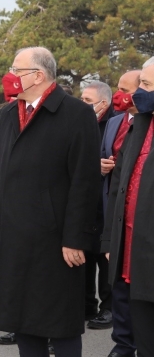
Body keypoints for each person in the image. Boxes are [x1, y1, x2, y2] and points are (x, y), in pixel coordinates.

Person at [0, 47, 102, 357]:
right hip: (13, 235)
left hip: (54, 237)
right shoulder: (7, 113)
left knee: (59, 322)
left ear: (38, 75)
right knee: (22, 320)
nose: (10, 76)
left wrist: (76, 238)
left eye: (16, 70)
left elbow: (84, 181)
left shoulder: (76, 113)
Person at [103, 59, 154, 357]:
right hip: (134, 258)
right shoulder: (139, 126)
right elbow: (120, 188)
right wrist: (111, 240)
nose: (139, 92)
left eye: (146, 85)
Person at [98, 70, 141, 353]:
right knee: (118, 282)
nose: (118, 96)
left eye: (126, 89)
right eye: (118, 88)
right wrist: (99, 166)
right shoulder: (114, 122)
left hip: (140, 215)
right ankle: (123, 342)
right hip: (114, 209)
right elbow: (100, 154)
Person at [80, 81, 115, 329]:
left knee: (104, 257)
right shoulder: (80, 122)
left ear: (103, 104)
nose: (82, 104)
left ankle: (109, 307)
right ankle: (87, 305)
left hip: (105, 202)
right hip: (85, 202)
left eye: (87, 101)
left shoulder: (114, 125)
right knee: (85, 256)